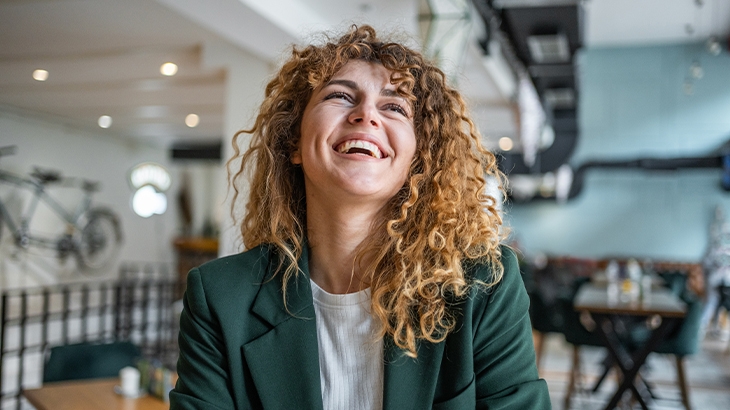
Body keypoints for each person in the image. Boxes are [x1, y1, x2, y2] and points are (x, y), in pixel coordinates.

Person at [170, 25, 551, 410]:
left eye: (394, 107)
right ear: (294, 143)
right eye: (339, 95)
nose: (366, 114)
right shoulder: (219, 297)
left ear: (419, 158)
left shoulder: (482, 284)